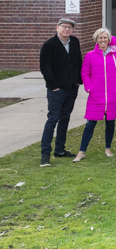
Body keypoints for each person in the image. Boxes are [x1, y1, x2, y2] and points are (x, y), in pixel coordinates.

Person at [73, 28, 116, 162]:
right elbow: (85, 73)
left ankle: (108, 147)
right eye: (100, 38)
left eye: (105, 38)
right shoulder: (90, 55)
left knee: (110, 122)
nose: (103, 40)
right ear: (96, 40)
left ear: (109, 39)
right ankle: (82, 151)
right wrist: (89, 87)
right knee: (90, 123)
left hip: (113, 94)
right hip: (96, 95)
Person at [39, 18, 83, 166]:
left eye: (70, 27)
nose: (67, 29)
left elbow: (78, 61)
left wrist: (78, 80)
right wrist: (53, 86)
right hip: (57, 90)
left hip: (72, 88)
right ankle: (45, 155)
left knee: (65, 119)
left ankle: (59, 150)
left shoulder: (74, 41)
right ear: (57, 27)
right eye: (64, 27)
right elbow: (45, 67)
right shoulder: (49, 45)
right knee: (52, 120)